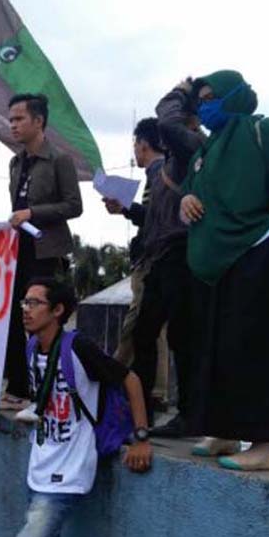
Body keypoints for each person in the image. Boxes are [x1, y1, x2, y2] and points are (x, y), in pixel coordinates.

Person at [179, 70, 269, 471]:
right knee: (219, 347)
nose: (204, 106)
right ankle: (225, 431)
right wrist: (185, 201)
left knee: (256, 346)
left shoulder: (266, 131)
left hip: (256, 250)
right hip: (214, 265)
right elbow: (192, 193)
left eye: (210, 97)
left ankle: (264, 445)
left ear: (234, 95)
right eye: (199, 100)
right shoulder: (207, 150)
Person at [9, 277, 152, 537]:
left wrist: (141, 437)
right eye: (25, 302)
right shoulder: (32, 348)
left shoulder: (78, 348)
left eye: (35, 303)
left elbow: (130, 380)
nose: (26, 309)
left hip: (68, 473)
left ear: (58, 310)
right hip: (39, 467)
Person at [140, 81, 208, 438]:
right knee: (144, 334)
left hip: (182, 256)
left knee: (183, 338)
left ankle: (190, 416)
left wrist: (181, 92)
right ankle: (141, 412)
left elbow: (166, 122)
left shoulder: (191, 149)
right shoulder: (170, 162)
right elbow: (157, 218)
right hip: (161, 256)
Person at [5, 93, 83, 400]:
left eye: (19, 119)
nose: (13, 125)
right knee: (13, 313)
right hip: (15, 248)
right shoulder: (15, 162)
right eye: (10, 119)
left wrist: (34, 214)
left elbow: (74, 206)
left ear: (39, 121)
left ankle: (50, 384)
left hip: (46, 249)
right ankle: (18, 385)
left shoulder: (59, 160)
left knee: (40, 316)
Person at [101, 118, 165, 370]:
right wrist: (126, 208)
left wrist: (128, 209)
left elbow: (156, 219)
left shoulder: (159, 172)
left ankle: (115, 374)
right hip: (154, 257)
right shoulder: (159, 172)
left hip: (152, 259)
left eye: (135, 144)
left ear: (143, 144)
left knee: (139, 322)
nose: (134, 150)